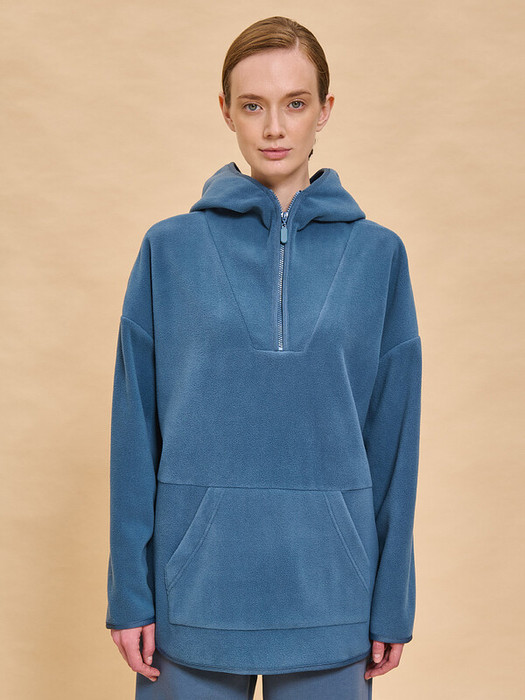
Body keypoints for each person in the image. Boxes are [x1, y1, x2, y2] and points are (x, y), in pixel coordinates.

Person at [106, 15, 422, 700]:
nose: (274, 128)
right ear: (225, 111)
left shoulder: (378, 257)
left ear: (324, 110)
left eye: (294, 103)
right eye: (252, 105)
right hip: (192, 602)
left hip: (332, 600)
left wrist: (393, 598)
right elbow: (134, 429)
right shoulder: (169, 250)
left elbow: (394, 439)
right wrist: (128, 592)